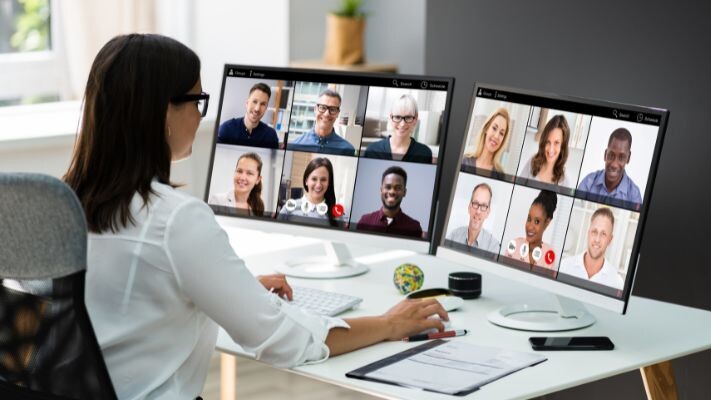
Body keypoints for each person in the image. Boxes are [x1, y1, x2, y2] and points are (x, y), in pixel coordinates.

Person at [63, 34, 447, 399]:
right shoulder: (176, 220)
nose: (200, 117)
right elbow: (286, 341)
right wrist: (388, 323)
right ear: (163, 110)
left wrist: (233, 286)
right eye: (198, 101)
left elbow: (129, 300)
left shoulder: (59, 205)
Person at [560, 208, 624, 289]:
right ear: (588, 233)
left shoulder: (616, 283)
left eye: (603, 234)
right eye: (594, 231)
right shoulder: (564, 267)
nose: (597, 239)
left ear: (609, 240)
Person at [577, 128, 642, 205]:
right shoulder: (588, 183)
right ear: (605, 155)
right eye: (611, 155)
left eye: (621, 157)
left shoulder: (634, 195)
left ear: (628, 158)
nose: (614, 164)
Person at [356, 166, 423, 238]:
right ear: (381, 190)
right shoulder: (365, 221)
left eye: (398, 188)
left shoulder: (414, 227)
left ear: (404, 192)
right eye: (388, 187)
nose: (392, 192)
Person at [364, 95, 433, 163]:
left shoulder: (425, 153)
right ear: (390, 117)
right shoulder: (372, 150)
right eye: (397, 117)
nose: (402, 124)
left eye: (408, 117)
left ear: (415, 119)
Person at [287, 89, 355, 156]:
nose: (326, 114)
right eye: (322, 108)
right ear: (315, 109)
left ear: (337, 113)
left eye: (333, 109)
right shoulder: (295, 145)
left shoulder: (348, 150)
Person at [277, 157, 342, 226]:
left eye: (323, 180)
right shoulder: (288, 208)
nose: (318, 185)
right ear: (306, 181)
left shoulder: (338, 215)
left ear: (329, 183)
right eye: (314, 179)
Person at [217, 82, 279, 149]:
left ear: (266, 108)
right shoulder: (226, 129)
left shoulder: (271, 136)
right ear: (247, 103)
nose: (257, 109)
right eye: (254, 101)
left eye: (263, 104)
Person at [506, 190, 558, 269]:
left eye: (537, 221)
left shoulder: (549, 255)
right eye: (529, 219)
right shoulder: (515, 245)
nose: (530, 227)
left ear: (547, 222)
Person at [447, 183, 500, 252]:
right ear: (469, 207)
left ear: (488, 212)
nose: (478, 211)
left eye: (483, 206)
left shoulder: (493, 247)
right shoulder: (454, 236)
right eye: (475, 203)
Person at [519, 114, 570, 186]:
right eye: (548, 142)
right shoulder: (533, 163)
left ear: (563, 146)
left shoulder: (564, 182)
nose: (551, 149)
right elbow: (517, 189)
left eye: (556, 143)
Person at [461, 108, 510, 173]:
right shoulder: (464, 161)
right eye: (494, 128)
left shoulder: (500, 174)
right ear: (487, 128)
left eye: (501, 133)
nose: (496, 136)